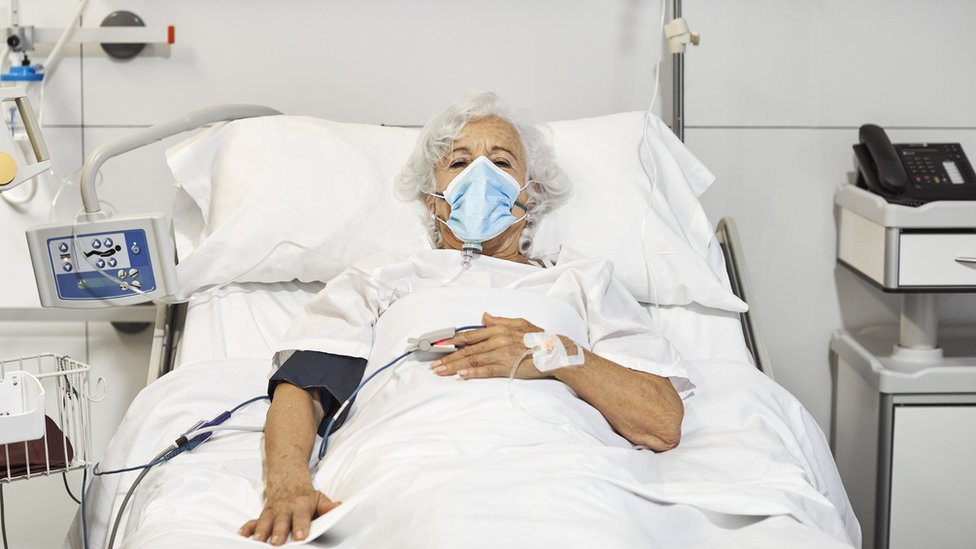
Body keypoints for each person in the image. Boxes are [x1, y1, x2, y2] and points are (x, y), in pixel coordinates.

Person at [239, 92, 688, 546]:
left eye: (502, 162)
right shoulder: (381, 278)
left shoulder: (582, 280)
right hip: (411, 460)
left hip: (563, 462)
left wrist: (552, 352)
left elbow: (661, 421)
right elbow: (304, 390)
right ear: (434, 202)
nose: (481, 174)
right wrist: (288, 482)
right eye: (459, 163)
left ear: (530, 195)